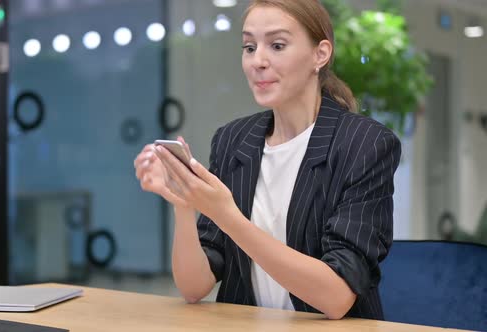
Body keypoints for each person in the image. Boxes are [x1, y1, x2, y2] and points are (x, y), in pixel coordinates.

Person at [134, 0, 401, 320]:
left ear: (321, 54)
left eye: (277, 45)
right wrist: (184, 203)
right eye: (249, 47)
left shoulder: (366, 145)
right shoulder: (233, 140)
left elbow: (337, 296)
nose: (257, 61)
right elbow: (194, 287)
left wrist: (226, 214)